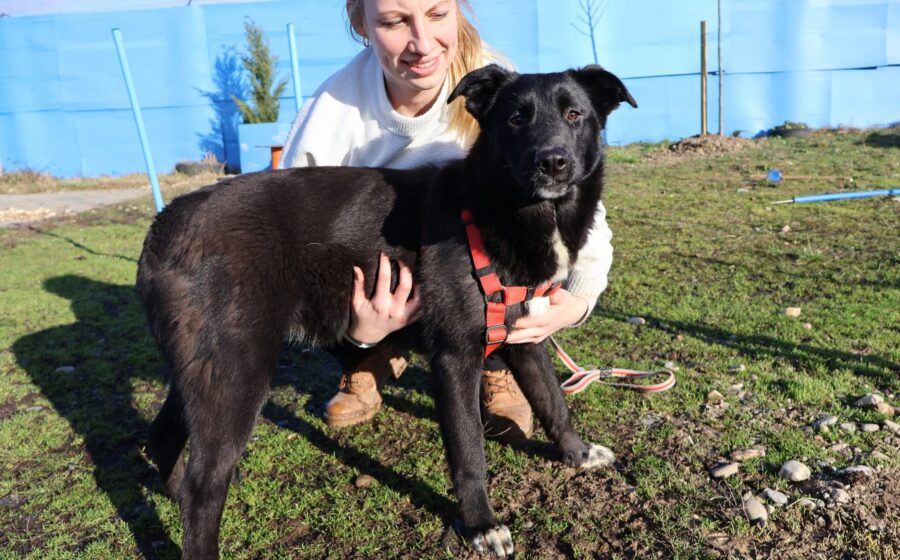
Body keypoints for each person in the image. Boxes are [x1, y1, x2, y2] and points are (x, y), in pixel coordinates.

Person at [279, 0, 613, 441]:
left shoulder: (506, 89)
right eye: (394, 22)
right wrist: (357, 332)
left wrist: (579, 299)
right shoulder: (331, 111)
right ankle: (367, 359)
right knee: (348, 267)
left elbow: (575, 200)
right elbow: (290, 237)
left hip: (471, 271)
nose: (421, 43)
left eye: (436, 14)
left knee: (493, 277)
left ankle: (495, 364)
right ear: (362, 25)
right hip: (375, 271)